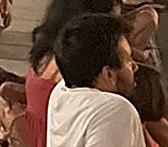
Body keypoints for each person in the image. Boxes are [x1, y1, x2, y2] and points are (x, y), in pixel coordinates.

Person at [47, 14, 146, 147]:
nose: (135, 66)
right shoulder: (114, 111)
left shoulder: (61, 91)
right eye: (128, 61)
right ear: (108, 74)